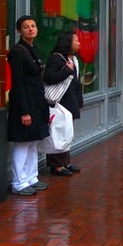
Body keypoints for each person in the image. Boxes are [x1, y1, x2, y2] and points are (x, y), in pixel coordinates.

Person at [7, 15, 51, 196]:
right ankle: (19, 182)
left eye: (33, 26)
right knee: (23, 144)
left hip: (37, 104)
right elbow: (18, 83)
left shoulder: (32, 49)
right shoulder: (18, 51)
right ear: (19, 31)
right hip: (25, 105)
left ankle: (32, 177)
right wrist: (24, 111)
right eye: (26, 27)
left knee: (33, 143)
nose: (31, 29)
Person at [43, 32, 84, 177]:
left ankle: (66, 162)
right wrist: (67, 70)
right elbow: (49, 78)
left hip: (70, 102)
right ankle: (56, 165)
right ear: (68, 43)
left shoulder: (73, 59)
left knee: (67, 133)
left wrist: (80, 101)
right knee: (57, 133)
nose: (79, 43)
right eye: (76, 40)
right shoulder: (56, 59)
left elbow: (77, 82)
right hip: (59, 103)